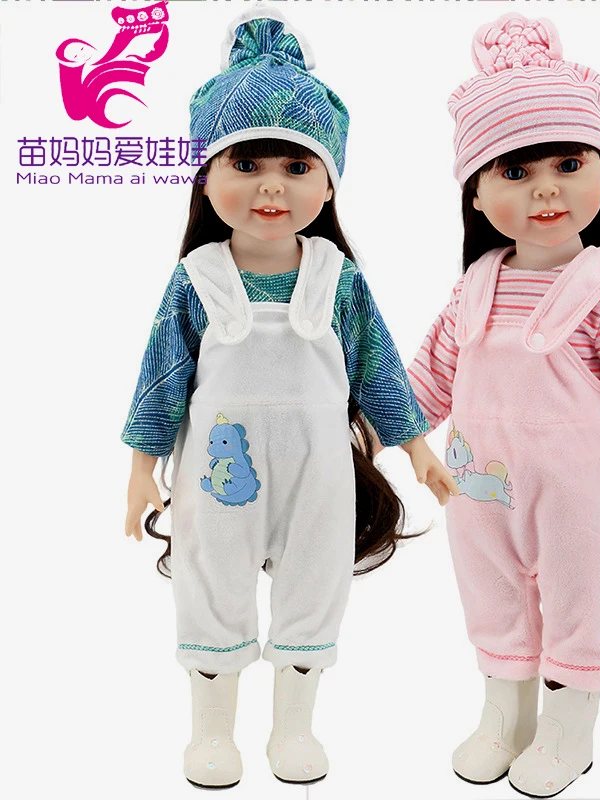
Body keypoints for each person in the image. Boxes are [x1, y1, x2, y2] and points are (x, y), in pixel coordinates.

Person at [122, 8, 456, 790]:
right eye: (246, 162)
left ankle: (294, 729)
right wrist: (141, 470)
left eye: (297, 165)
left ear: (330, 180)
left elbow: (376, 366)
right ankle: (211, 733)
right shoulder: (197, 280)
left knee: (314, 585)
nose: (272, 184)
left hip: (319, 472)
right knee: (211, 585)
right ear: (206, 175)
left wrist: (417, 448)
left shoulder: (337, 279)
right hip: (217, 475)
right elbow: (161, 377)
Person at [407, 14, 600, 798]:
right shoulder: (476, 284)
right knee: (491, 598)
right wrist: (375, 426)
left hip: (574, 496)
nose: (546, 188)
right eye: (515, 171)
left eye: (569, 164)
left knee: (578, 607)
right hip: (478, 492)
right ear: (477, 192)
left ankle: (568, 731)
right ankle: (503, 717)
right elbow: (427, 375)